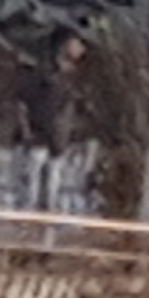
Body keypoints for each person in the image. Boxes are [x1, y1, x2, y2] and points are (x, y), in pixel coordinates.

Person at [16, 22, 89, 215]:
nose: (81, 49)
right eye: (76, 43)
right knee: (31, 191)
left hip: (59, 141)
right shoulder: (44, 75)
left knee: (52, 189)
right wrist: (27, 133)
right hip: (39, 138)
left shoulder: (72, 78)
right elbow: (23, 103)